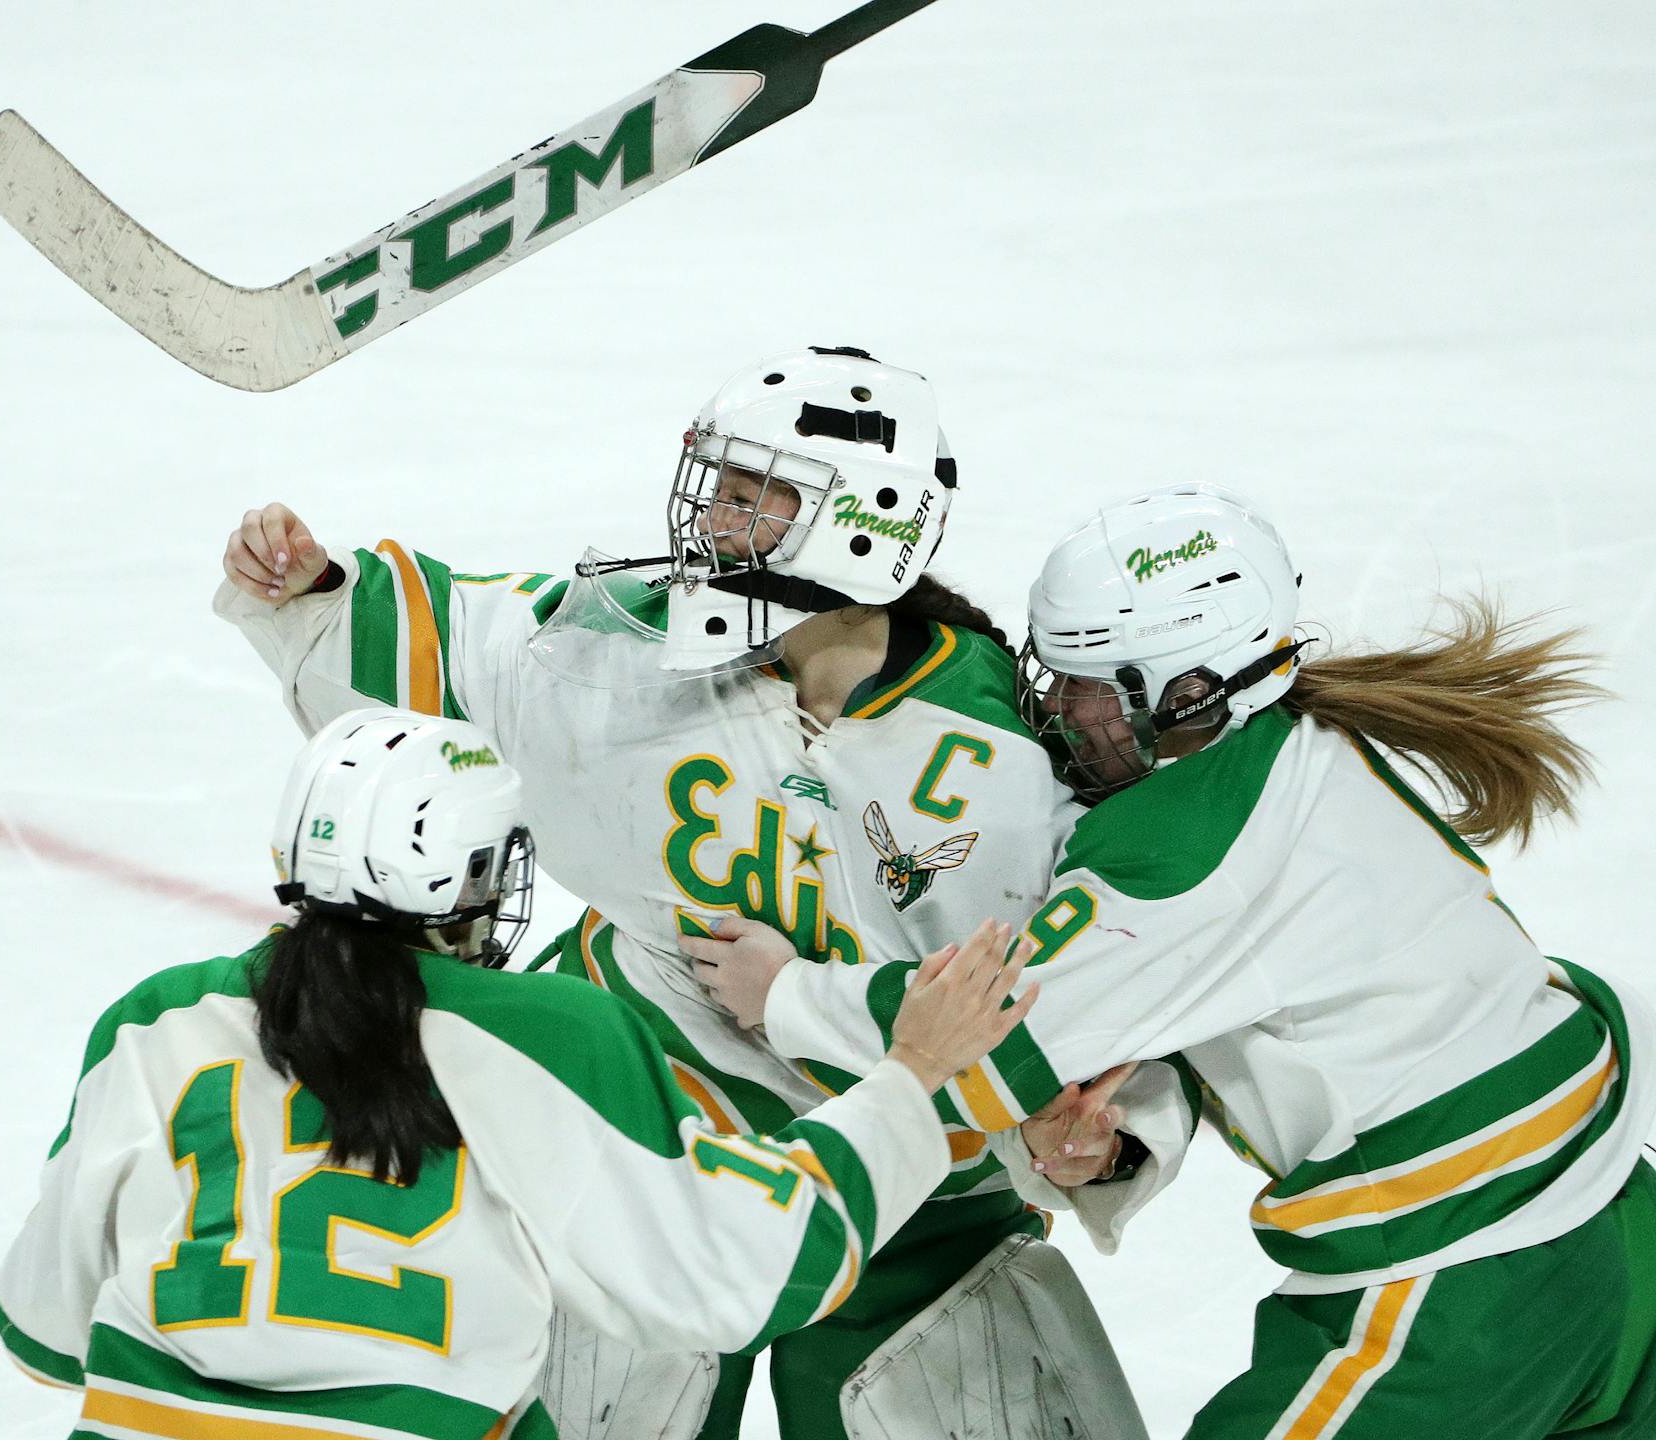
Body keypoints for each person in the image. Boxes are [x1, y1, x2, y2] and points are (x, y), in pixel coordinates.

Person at [216, 346, 1166, 1440]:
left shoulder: (1004, 760)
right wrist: (314, 590)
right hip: (642, 1147)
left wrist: (1113, 1139)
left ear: (865, 522)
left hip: (917, 1201)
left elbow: (1117, 974)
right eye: (718, 481)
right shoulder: (634, 643)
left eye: (754, 493)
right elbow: (469, 645)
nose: (711, 515)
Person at [695, 484, 1656, 1438]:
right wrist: (1115, 1145)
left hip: (1476, 1273)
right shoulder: (1298, 748)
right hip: (1609, 1219)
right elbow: (1213, 1000)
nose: (1057, 708)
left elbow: (989, 1038)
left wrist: (787, 996)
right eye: (1055, 672)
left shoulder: (1184, 843)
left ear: (1193, 692)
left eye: (1090, 686)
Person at [0, 707, 1037, 1440]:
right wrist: (912, 1071)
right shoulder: (548, 1032)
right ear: (471, 876)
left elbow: (41, 1330)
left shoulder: (157, 1018)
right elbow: (745, 1266)